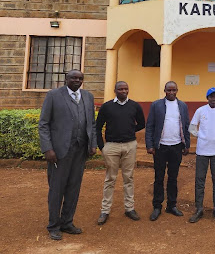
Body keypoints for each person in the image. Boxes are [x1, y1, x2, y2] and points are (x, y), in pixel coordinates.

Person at [38, 69, 97, 240]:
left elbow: (91, 123)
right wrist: (47, 148)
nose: (77, 80)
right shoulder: (54, 95)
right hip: (59, 151)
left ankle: (67, 222)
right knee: (57, 189)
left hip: (80, 150)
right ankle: (53, 225)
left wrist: (92, 144)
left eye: (80, 78)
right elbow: (44, 124)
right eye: (73, 78)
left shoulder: (88, 96)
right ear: (66, 79)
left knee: (73, 187)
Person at [95, 81, 145, 225]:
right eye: (120, 89)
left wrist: (129, 131)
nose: (124, 91)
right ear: (115, 90)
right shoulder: (107, 106)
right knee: (110, 178)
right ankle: (105, 210)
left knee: (128, 177)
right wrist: (101, 146)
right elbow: (98, 127)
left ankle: (129, 208)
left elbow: (142, 123)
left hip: (130, 145)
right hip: (111, 147)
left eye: (126, 89)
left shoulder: (134, 106)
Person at [145, 81, 190, 221]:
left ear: (177, 90)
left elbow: (186, 125)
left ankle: (172, 205)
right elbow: (150, 125)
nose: (171, 92)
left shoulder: (182, 106)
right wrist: (150, 145)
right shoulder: (156, 105)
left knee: (173, 177)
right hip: (160, 147)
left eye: (174, 90)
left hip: (176, 146)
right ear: (164, 90)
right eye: (169, 90)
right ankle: (157, 206)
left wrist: (186, 144)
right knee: (159, 177)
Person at [188, 87, 215, 223]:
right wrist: (201, 135)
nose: (214, 99)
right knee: (200, 180)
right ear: (207, 98)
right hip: (202, 151)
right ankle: (199, 208)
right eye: (211, 96)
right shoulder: (200, 111)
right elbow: (192, 127)